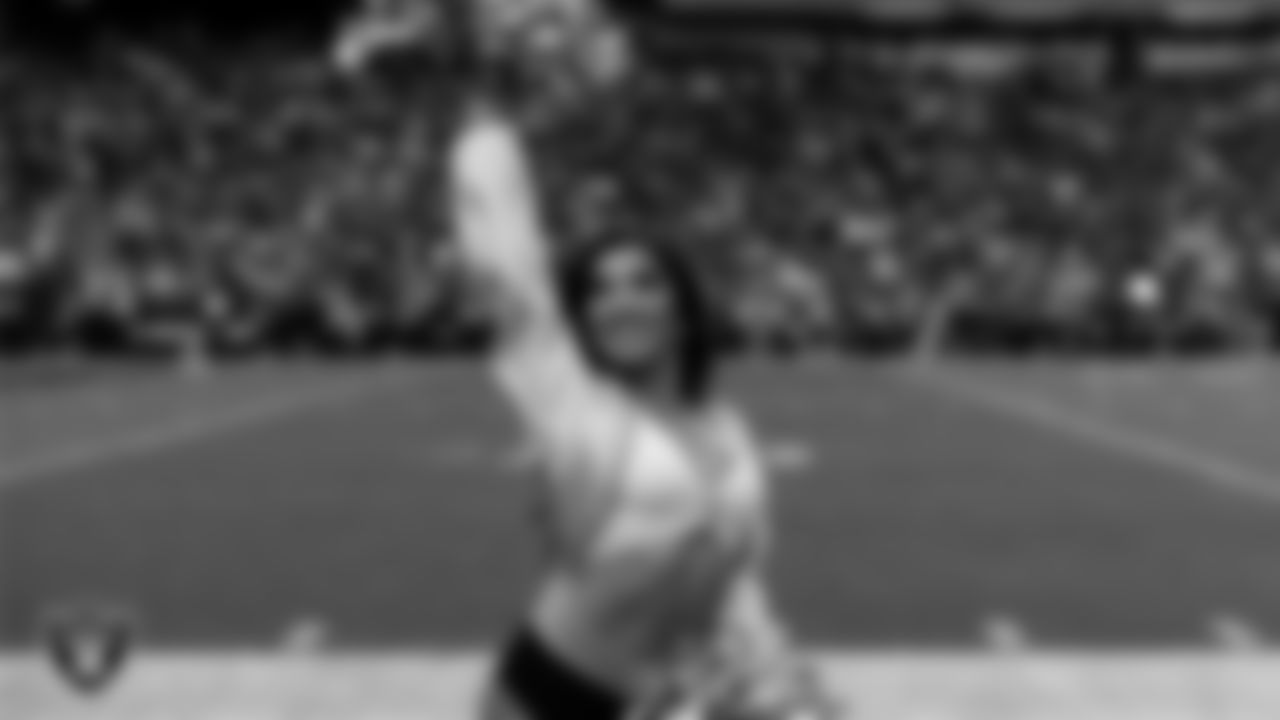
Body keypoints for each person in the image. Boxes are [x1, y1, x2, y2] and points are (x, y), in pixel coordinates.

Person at [443, 3, 840, 719]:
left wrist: (776, 674)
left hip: (672, 699)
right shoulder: (572, 406)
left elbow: (735, 576)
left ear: (682, 307)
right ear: (582, 319)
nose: (619, 302)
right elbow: (505, 262)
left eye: (643, 282)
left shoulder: (726, 429)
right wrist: (486, 113)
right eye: (598, 291)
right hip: (552, 695)